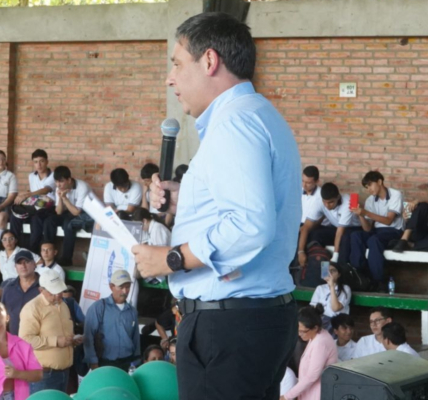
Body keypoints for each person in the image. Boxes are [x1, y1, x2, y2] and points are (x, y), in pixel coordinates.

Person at [133, 12, 300, 400]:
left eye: (177, 64)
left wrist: (171, 259)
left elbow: (249, 225)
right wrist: (187, 195)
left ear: (209, 61)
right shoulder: (259, 114)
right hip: (252, 321)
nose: (170, 78)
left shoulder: (233, 124)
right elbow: (252, 204)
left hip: (229, 326)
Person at [19, 269, 76, 392]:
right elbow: (25, 340)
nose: (58, 295)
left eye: (59, 291)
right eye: (53, 292)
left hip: (64, 372)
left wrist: (72, 340)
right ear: (41, 290)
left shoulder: (63, 305)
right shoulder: (32, 308)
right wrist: (55, 341)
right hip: (43, 375)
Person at [349, 171, 404, 290]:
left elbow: (389, 220)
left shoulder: (395, 195)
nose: (369, 189)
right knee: (356, 236)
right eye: (366, 187)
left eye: (370, 185)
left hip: (394, 231)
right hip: (377, 231)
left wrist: (366, 213)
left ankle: (378, 281)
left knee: (374, 240)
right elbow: (367, 229)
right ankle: (359, 274)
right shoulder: (370, 200)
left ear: (379, 182)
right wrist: (360, 215)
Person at [84, 269, 140, 372]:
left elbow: (136, 339)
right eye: (121, 287)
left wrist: (136, 362)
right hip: (104, 363)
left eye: (127, 287)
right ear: (111, 287)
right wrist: (93, 362)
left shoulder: (132, 312)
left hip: (126, 364)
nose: (125, 291)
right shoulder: (99, 307)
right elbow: (88, 336)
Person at [298, 183, 360, 268]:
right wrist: (300, 252)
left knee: (344, 239)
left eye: (331, 202)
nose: (327, 205)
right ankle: (319, 269)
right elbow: (306, 227)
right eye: (325, 202)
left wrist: (335, 257)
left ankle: (340, 270)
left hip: (353, 229)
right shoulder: (319, 201)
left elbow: (340, 232)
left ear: (337, 197)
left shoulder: (347, 202)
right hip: (336, 228)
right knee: (315, 234)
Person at [282, 306, 337, 400]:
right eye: (298, 330)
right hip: (310, 392)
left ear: (315, 327)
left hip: (317, 394)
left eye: (303, 331)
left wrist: (287, 396)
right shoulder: (315, 337)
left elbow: (312, 376)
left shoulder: (321, 342)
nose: (299, 334)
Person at [43, 165, 94, 266]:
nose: (58, 184)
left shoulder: (82, 187)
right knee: (49, 221)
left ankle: (66, 259)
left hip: (85, 214)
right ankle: (48, 255)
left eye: (61, 181)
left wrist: (65, 198)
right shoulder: (59, 188)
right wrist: (60, 198)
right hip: (69, 211)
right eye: (56, 182)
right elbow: (58, 212)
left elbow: (76, 212)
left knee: (68, 224)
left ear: (69, 180)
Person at [12, 149, 55, 251]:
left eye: (42, 161)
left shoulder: (53, 175)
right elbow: (32, 195)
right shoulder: (31, 176)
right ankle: (14, 248)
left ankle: (33, 251)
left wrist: (26, 195)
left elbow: (45, 190)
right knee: (14, 216)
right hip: (34, 206)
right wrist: (23, 196)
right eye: (36, 162)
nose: (39, 165)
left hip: (49, 208)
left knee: (36, 219)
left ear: (47, 162)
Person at [0, 249, 41, 335]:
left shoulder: (44, 288)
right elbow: (3, 317)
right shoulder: (8, 289)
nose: (23, 265)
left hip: (38, 343)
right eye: (19, 263)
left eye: (26, 261)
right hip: (13, 342)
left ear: (34, 264)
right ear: (15, 267)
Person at [309, 264, 351, 331]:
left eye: (333, 271)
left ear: (339, 274)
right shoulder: (320, 288)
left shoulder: (345, 288)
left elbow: (335, 308)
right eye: (327, 271)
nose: (330, 273)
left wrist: (332, 286)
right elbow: (313, 308)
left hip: (337, 322)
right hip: (321, 320)